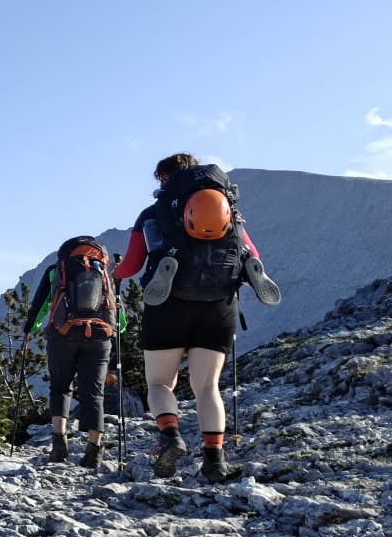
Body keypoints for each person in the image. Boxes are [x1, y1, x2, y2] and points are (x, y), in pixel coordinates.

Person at [114, 153, 281, 482]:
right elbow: (253, 255)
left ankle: (170, 436)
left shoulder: (153, 214)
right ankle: (215, 461)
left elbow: (132, 266)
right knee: (207, 387)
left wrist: (116, 273)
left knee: (160, 382)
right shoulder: (229, 213)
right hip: (219, 307)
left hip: (168, 306)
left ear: (165, 180)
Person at [22, 236, 123, 469]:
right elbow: (117, 312)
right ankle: (94, 449)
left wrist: (30, 328)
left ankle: (60, 443)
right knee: (94, 392)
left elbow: (40, 305)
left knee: (60, 387)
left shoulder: (56, 271)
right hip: (99, 337)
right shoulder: (105, 273)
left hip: (63, 335)